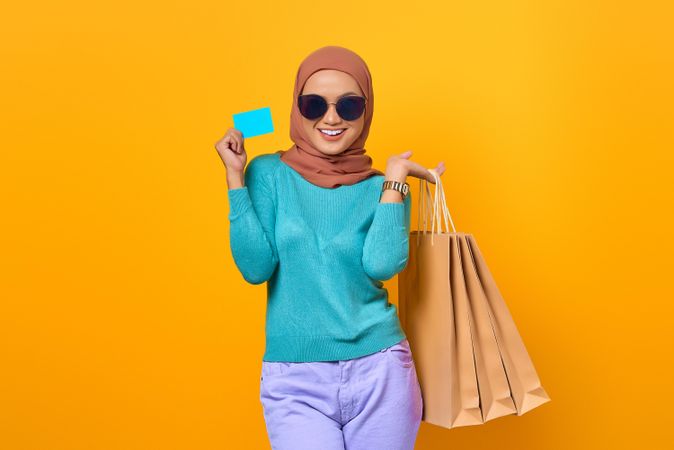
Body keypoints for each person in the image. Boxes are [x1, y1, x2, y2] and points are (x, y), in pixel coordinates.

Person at [215, 45, 445, 450]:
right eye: (314, 104)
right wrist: (236, 179)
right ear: (297, 108)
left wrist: (393, 179)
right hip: (295, 380)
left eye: (350, 105)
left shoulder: (384, 187)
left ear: (367, 111)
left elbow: (381, 264)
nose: (332, 118)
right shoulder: (268, 173)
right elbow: (255, 268)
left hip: (382, 371)